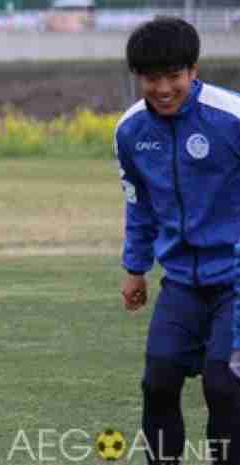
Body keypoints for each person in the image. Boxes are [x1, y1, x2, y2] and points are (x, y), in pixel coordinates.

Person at [115, 17, 240, 465]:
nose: (164, 88)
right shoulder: (130, 131)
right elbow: (139, 204)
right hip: (182, 282)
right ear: (138, 77)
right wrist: (136, 269)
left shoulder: (231, 118)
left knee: (224, 385)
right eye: (152, 78)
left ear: (193, 71)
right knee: (159, 381)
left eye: (174, 76)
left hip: (236, 279)